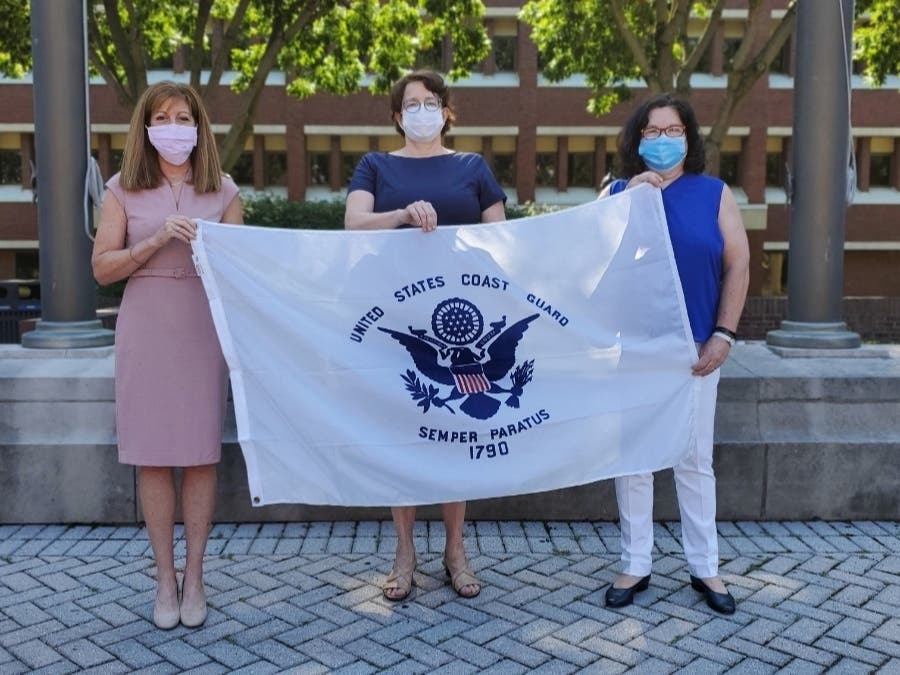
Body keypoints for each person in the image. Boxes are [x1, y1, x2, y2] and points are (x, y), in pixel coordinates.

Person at [344, 70, 507, 601]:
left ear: (445, 111)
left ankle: (456, 551)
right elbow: (353, 224)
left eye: (430, 101)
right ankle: (404, 553)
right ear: (397, 116)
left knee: (456, 433)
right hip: (396, 319)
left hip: (461, 320)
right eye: (411, 104)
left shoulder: (473, 167)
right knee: (403, 431)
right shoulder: (375, 165)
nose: (421, 111)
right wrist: (401, 215)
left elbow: (503, 237)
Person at [92, 81, 242, 629]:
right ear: (146, 127)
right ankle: (163, 579)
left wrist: (211, 247)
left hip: (202, 324)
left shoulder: (223, 190)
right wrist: (154, 241)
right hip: (146, 324)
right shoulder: (121, 188)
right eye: (162, 118)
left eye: (183, 117)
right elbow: (102, 268)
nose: (173, 127)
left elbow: (243, 266)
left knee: (200, 454)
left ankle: (195, 576)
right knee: (152, 455)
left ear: (198, 126)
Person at [599, 93, 749, 614]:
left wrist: (724, 334)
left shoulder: (714, 193)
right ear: (636, 140)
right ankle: (635, 563)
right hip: (636, 346)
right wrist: (626, 198)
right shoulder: (617, 193)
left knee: (694, 459)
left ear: (689, 138)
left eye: (672, 130)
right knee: (633, 461)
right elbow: (593, 258)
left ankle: (705, 566)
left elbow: (738, 263)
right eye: (652, 131)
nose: (662, 140)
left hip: (697, 348)